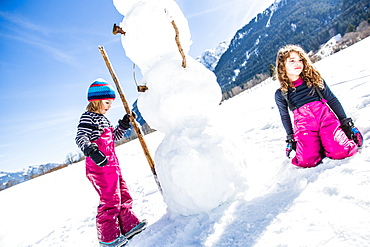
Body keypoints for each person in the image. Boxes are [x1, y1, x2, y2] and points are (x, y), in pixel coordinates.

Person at [75, 79, 147, 247]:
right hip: (99, 166)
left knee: (123, 194)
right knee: (110, 200)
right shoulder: (89, 117)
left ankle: (128, 225)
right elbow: (80, 137)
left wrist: (123, 125)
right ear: (95, 101)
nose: (109, 106)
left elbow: (112, 138)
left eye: (111, 103)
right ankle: (107, 238)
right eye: (107, 102)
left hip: (112, 165)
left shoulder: (104, 119)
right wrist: (92, 151)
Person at [274, 45, 363, 168]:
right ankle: (320, 145)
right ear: (282, 66)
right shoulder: (281, 93)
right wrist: (290, 138)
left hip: (326, 121)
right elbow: (285, 116)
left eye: (300, 60)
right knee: (306, 161)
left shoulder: (314, 80)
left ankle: (331, 140)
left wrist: (347, 123)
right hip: (304, 128)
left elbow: (332, 100)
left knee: (341, 151)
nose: (298, 63)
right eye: (292, 61)